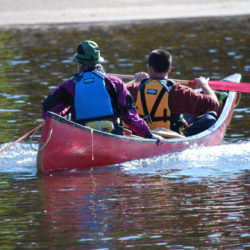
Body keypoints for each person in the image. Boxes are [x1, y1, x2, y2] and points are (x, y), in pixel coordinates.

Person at [41, 40, 163, 143]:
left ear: (78, 62)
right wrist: (148, 135)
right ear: (98, 61)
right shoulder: (115, 82)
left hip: (81, 140)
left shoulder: (70, 85)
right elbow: (130, 116)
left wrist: (64, 117)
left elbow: (47, 109)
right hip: (113, 137)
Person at [127, 49, 220, 136]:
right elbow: (214, 104)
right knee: (210, 117)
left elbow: (114, 92)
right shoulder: (179, 91)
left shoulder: (134, 88)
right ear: (169, 69)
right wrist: (205, 85)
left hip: (139, 135)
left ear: (149, 69)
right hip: (170, 137)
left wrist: (135, 81)